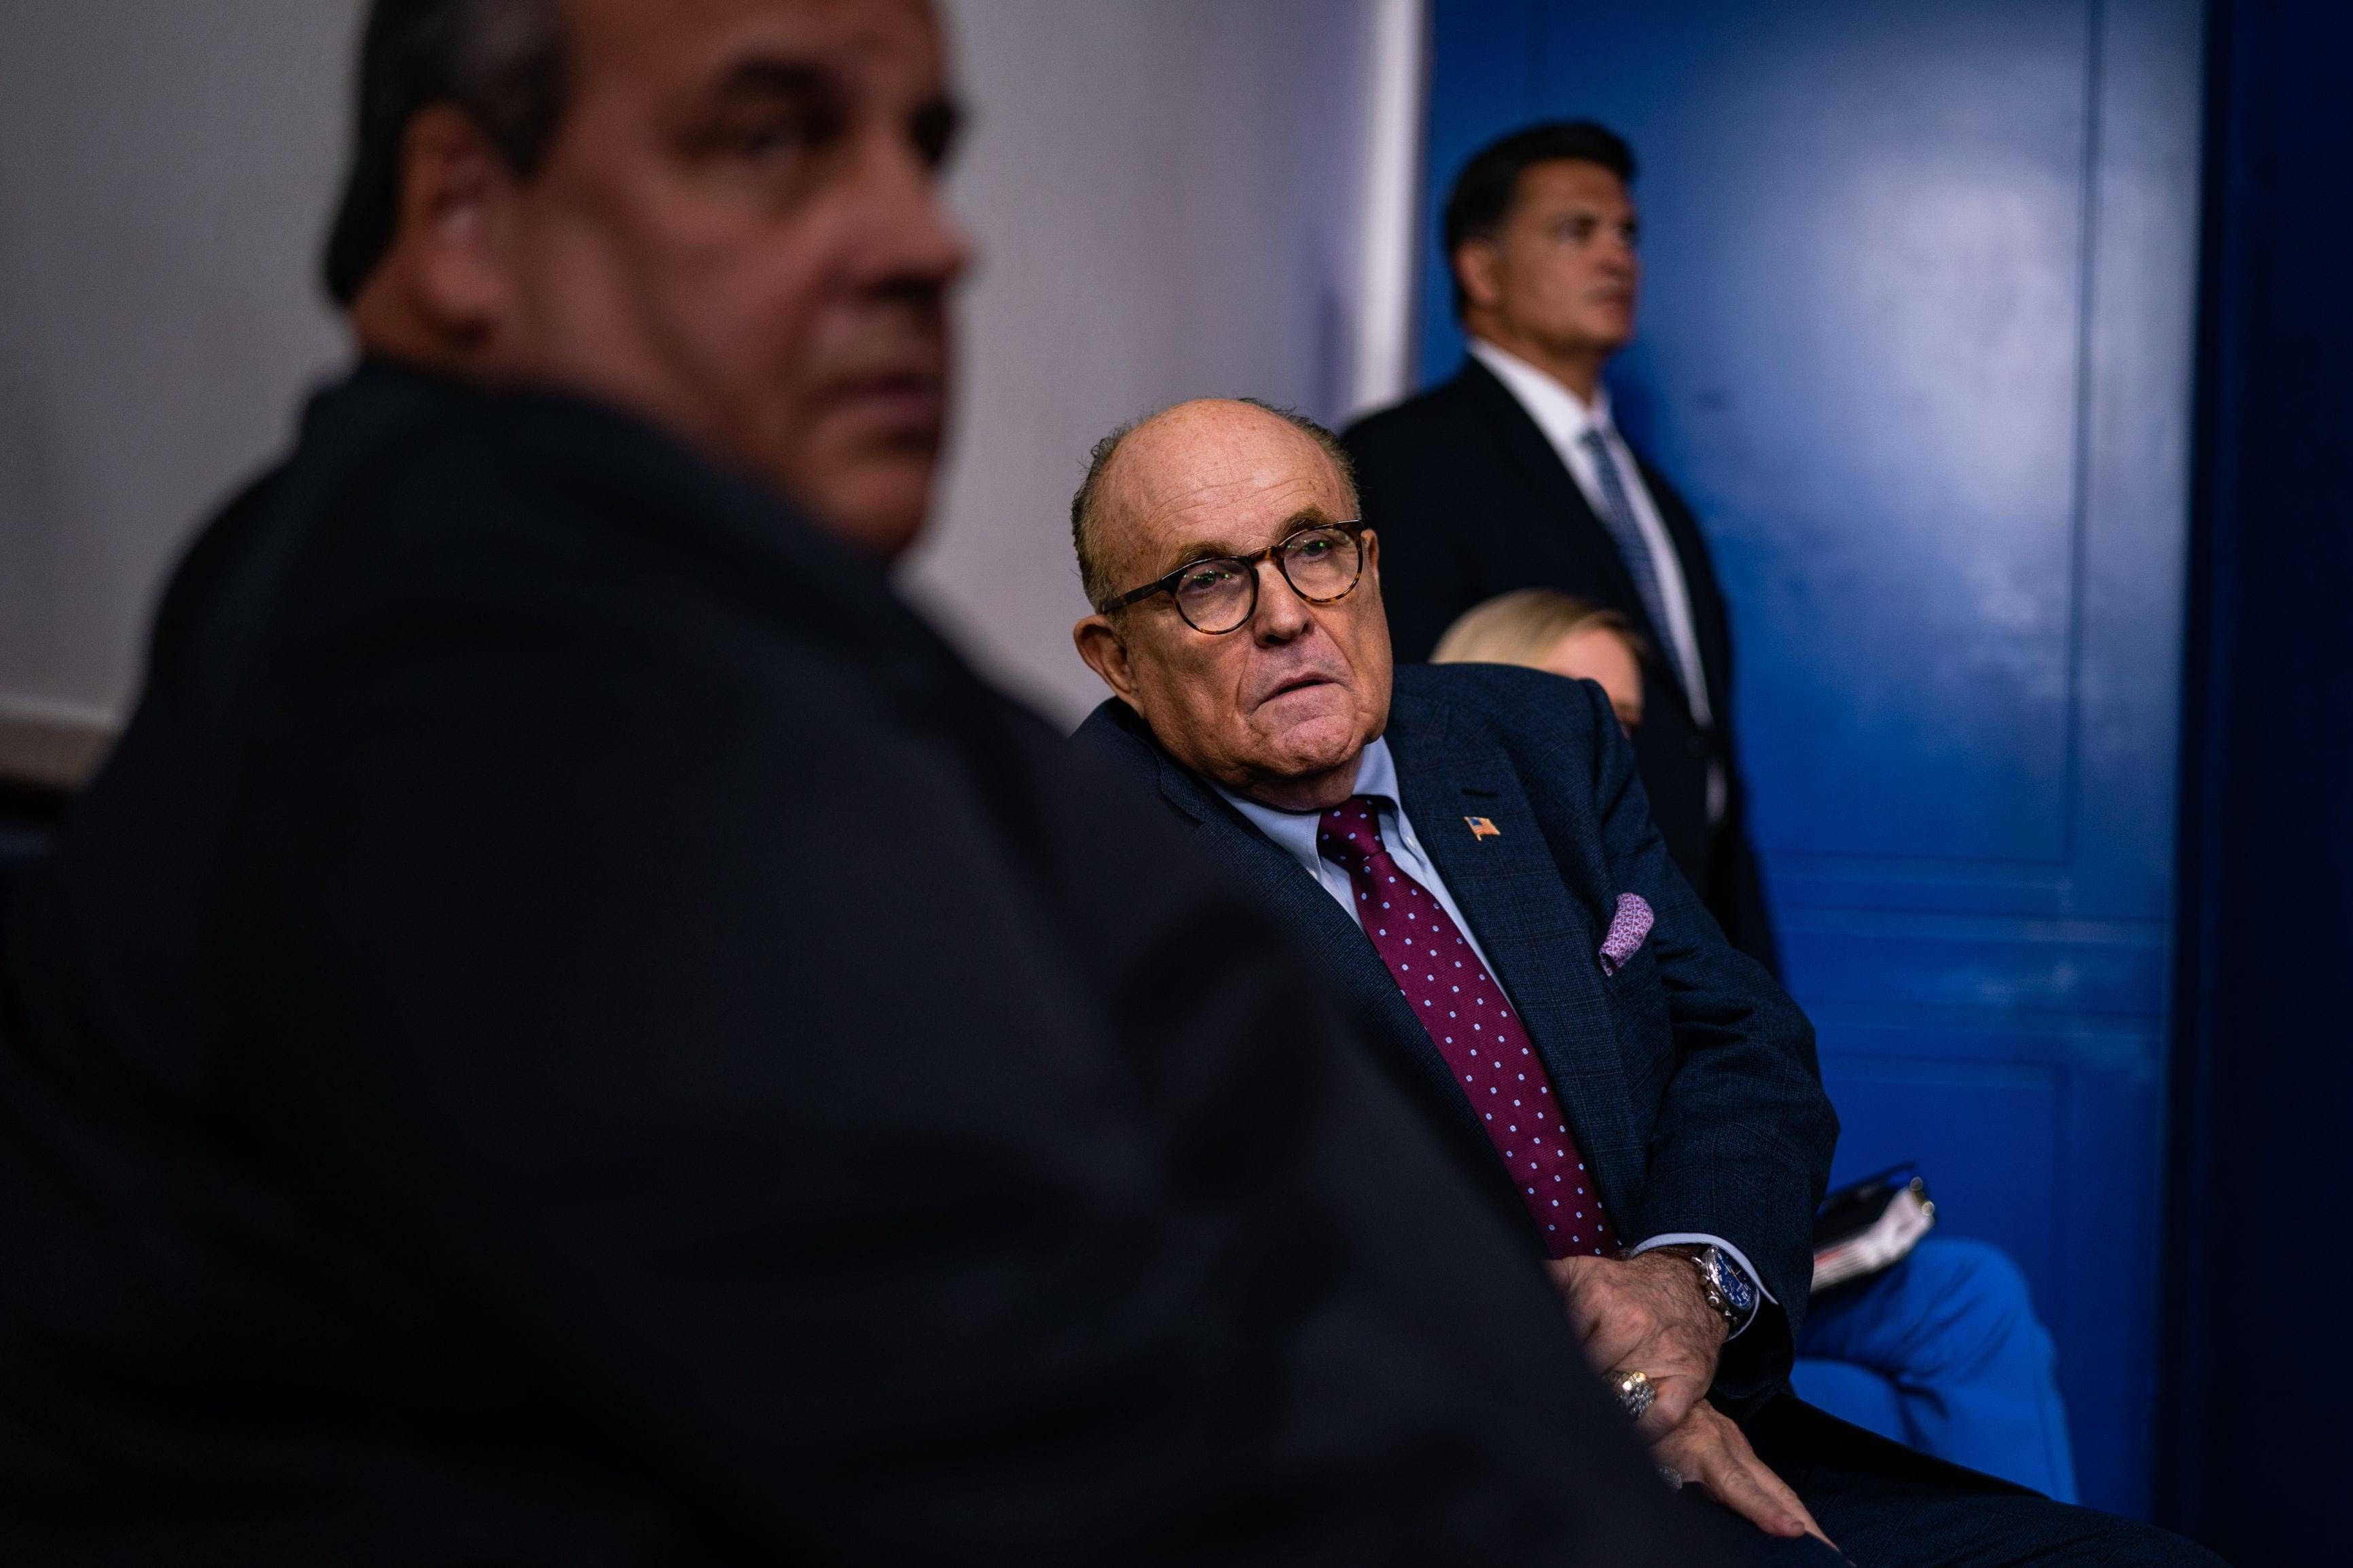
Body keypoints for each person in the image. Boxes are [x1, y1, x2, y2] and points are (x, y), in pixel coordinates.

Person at [0, 4, 1714, 1562]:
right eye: (769, 138)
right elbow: (1045, 1419)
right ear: (460, 216)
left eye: (920, 150)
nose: (921, 237)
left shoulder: (709, 634)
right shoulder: (466, 676)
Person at [1066, 395, 2218, 1567]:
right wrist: (1594, 1395)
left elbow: (1737, 1035)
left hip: (1714, 1413)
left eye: (1313, 550)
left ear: (1367, 565)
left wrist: (1685, 1284)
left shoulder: (1534, 738)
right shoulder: (1074, 867)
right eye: (1208, 581)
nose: (1282, 616)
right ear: (1115, 656)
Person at [1434, 591, 2081, 1501]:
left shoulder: (1639, 866)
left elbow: (1748, 1052)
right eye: (1567, 712)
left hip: (1696, 1246)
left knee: (1973, 1290)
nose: (1591, 750)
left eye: (1619, 725)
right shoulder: (1426, 913)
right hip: (1563, 1291)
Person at [1343, 121, 1778, 972]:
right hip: (1545, 947)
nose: (1616, 258)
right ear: (1480, 267)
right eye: (1576, 231)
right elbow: (1411, 719)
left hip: (1693, 932)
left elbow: (1695, 751)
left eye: (1626, 234)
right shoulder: (1402, 460)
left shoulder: (1654, 500)